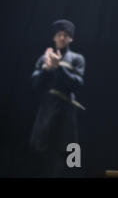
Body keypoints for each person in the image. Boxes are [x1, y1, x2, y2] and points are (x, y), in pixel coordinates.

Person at [30, 19, 86, 177]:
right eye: (59, 35)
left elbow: (77, 83)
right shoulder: (44, 58)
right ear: (54, 37)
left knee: (70, 157)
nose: (62, 38)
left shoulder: (77, 59)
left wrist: (59, 67)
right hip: (46, 114)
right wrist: (47, 69)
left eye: (65, 35)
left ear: (70, 39)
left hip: (66, 114)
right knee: (42, 156)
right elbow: (34, 83)